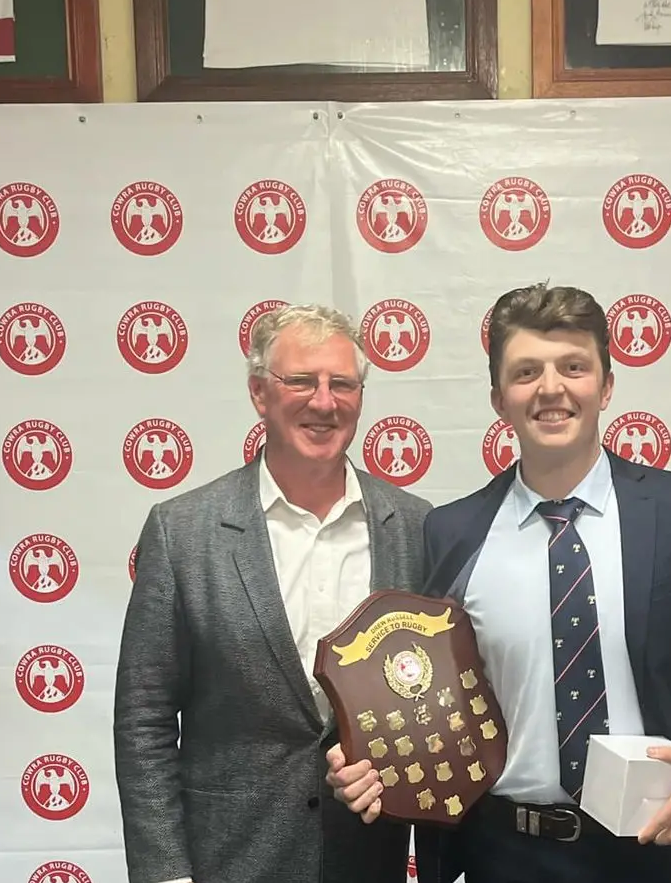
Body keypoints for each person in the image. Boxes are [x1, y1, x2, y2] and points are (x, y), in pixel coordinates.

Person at [326, 283, 671, 883]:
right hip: (505, 853)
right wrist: (371, 757)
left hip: (659, 844)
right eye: (526, 372)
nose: (551, 389)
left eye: (573, 367)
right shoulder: (452, 532)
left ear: (606, 385)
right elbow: (427, 693)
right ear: (499, 399)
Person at [114, 304, 432, 883]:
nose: (323, 401)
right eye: (301, 382)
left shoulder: (416, 528)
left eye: (342, 384)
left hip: (367, 862)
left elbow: (431, 703)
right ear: (260, 392)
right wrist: (165, 873)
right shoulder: (182, 531)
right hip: (227, 861)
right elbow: (145, 720)